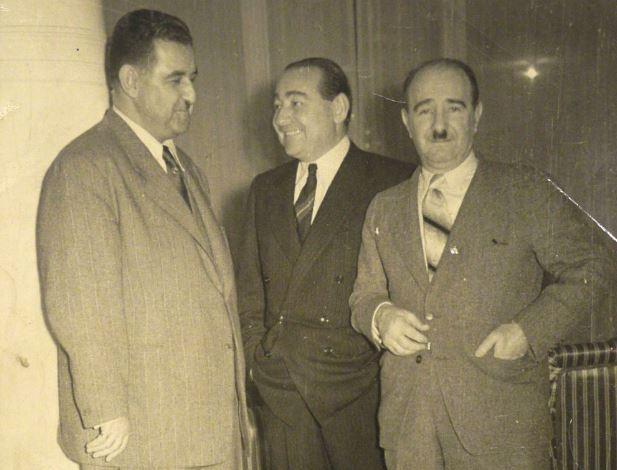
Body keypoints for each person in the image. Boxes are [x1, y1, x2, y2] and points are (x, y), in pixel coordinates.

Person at [349, 58, 613, 470]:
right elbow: (363, 296)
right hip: (410, 427)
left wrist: (528, 331)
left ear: (476, 114)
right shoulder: (384, 207)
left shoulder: (525, 191)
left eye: (454, 108)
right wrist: (380, 317)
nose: (439, 125)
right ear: (406, 121)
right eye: (424, 110)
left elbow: (593, 267)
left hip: (501, 425)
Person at [36, 9, 247, 469]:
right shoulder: (86, 167)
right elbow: (80, 303)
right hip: (141, 435)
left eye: (192, 79)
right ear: (130, 81)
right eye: (175, 80)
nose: (191, 94)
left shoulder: (187, 169)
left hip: (204, 428)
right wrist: (105, 408)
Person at [237, 57, 414, 469]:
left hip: (363, 398)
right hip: (283, 399)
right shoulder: (265, 189)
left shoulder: (392, 180)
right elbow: (248, 291)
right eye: (277, 105)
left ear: (339, 108)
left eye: (296, 103)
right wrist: (258, 361)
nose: (281, 118)